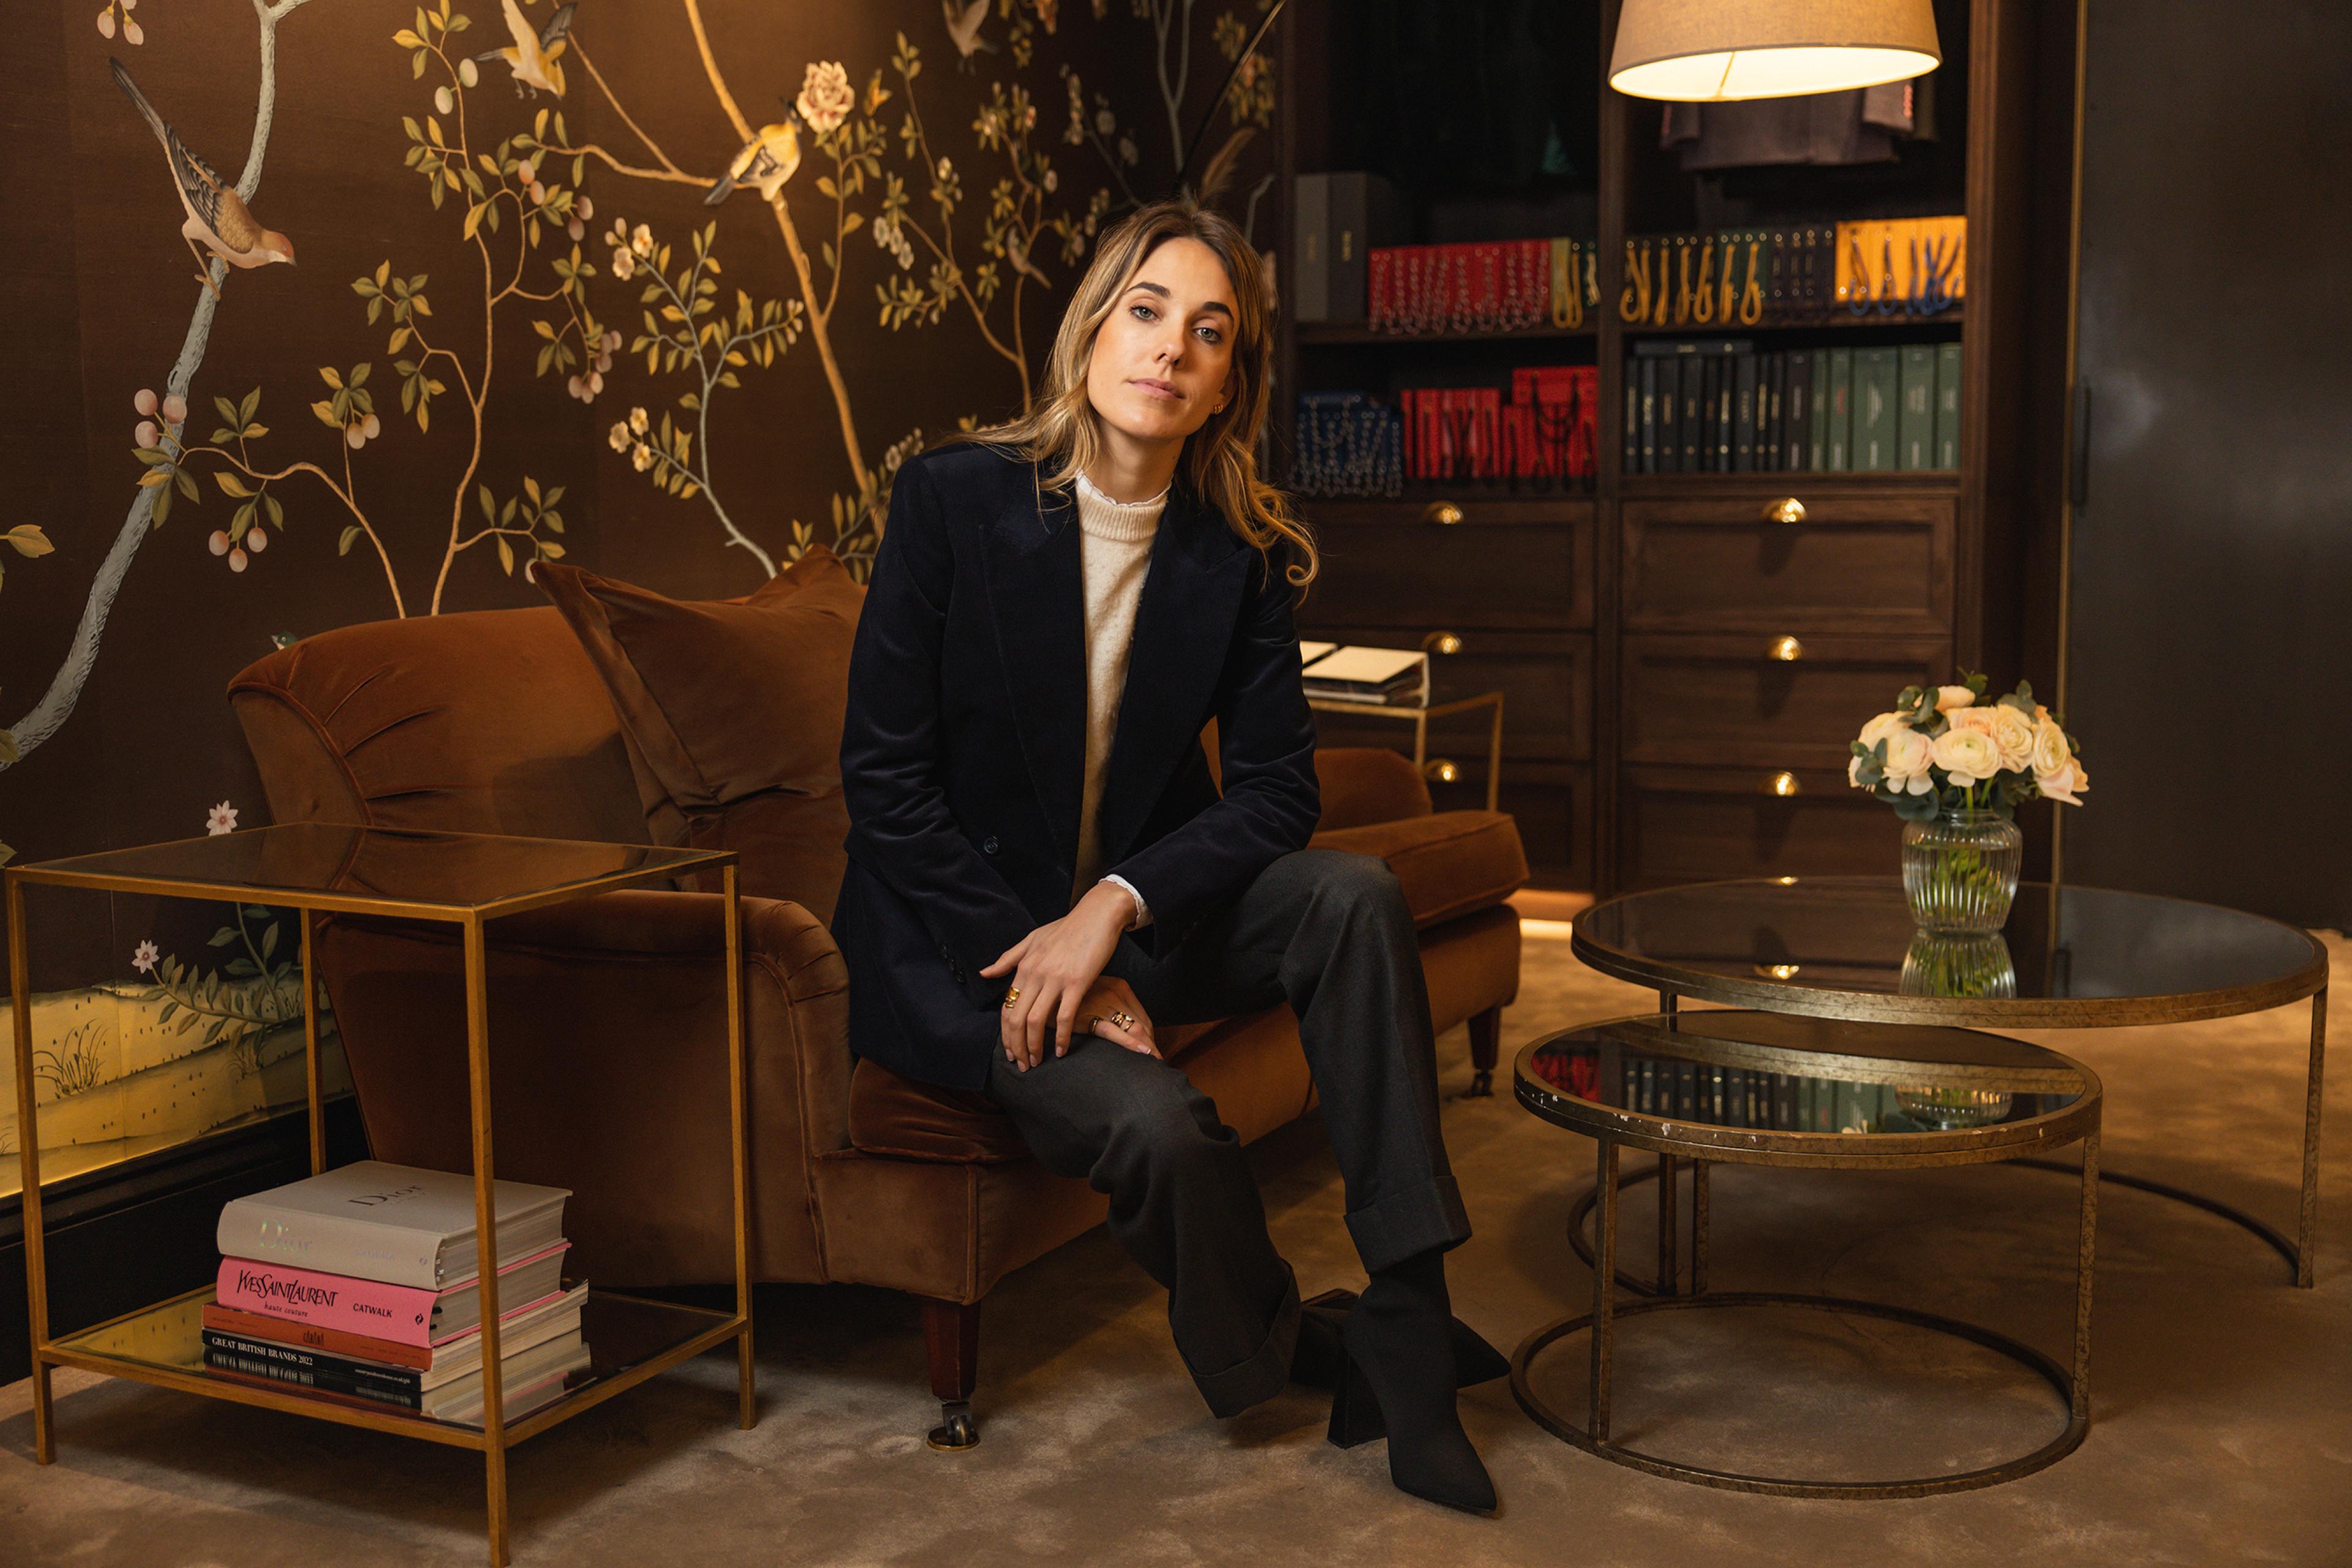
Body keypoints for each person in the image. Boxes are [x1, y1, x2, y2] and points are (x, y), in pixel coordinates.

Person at [830, 198, 1501, 1513]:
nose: (1170, 351)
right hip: (960, 945)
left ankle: (1410, 1321)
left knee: (1356, 894)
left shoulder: (1236, 552)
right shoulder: (954, 500)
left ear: (1226, 385)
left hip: (1137, 916)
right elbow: (886, 786)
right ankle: (1303, 1342)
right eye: (1147, 313)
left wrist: (1115, 913)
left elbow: (1277, 790)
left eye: (1209, 334)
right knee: (1163, 1129)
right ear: (1094, 329)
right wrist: (1057, 953)